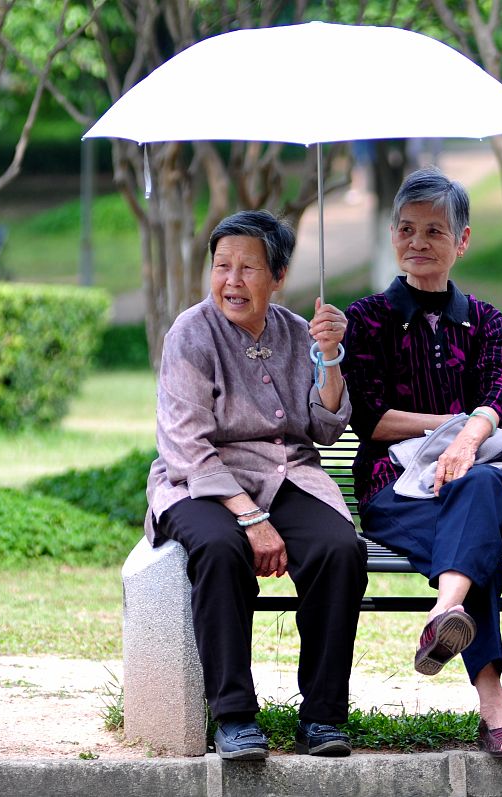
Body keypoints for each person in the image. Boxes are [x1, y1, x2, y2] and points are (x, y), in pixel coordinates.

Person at [146, 210, 368, 760]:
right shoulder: (190, 334)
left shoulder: (299, 332)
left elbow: (324, 426)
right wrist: (251, 518)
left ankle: (322, 716)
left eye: (248, 268)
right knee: (220, 549)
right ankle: (234, 715)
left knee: (340, 550)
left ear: (280, 275)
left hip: (289, 473)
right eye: (222, 266)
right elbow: (188, 447)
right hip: (198, 481)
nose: (232, 281)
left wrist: (332, 360)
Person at [339, 167, 502, 758]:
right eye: (406, 229)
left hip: (479, 479)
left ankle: (444, 611)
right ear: (393, 234)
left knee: (477, 491)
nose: (417, 243)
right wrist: (454, 429)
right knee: (476, 549)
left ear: (462, 240)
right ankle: (493, 701)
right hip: (393, 488)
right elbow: (369, 418)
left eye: (433, 231)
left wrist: (467, 440)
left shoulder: (486, 321)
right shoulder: (366, 316)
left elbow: (497, 395)